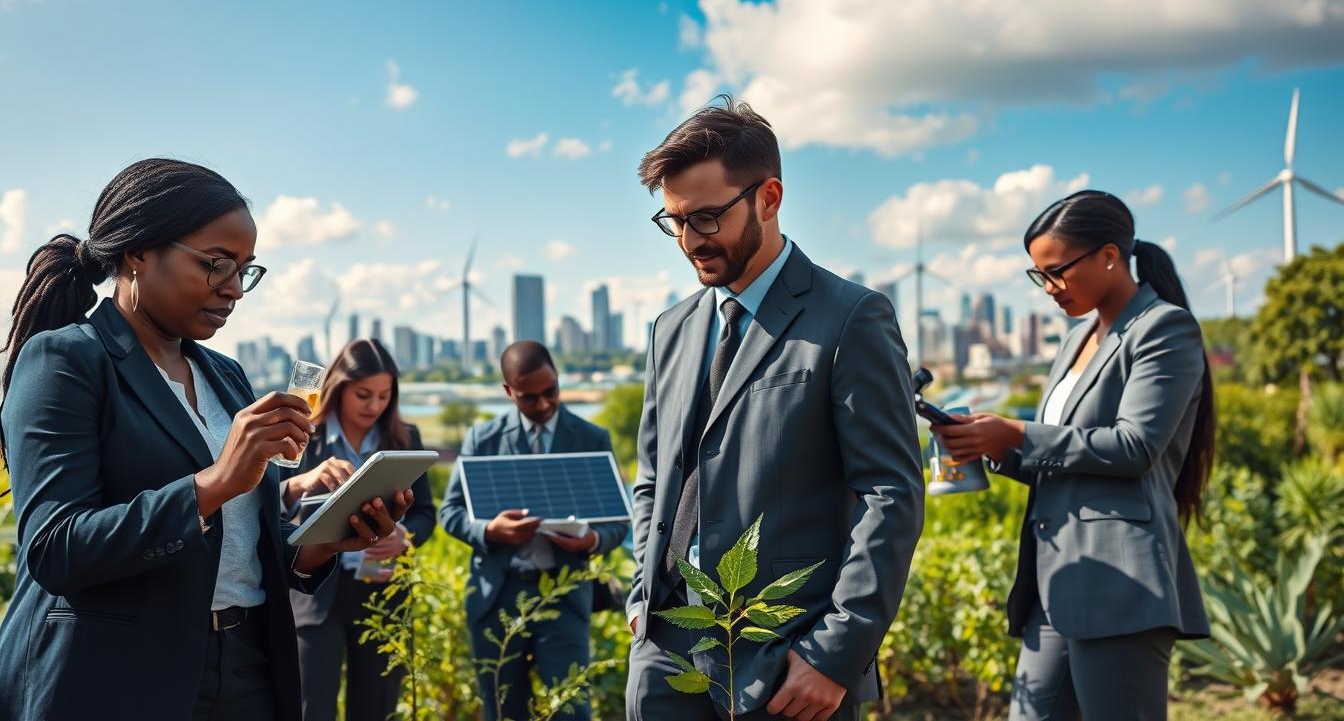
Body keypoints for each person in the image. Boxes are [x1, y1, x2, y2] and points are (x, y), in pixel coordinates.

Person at [0, 158, 413, 721]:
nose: (236, 290)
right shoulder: (67, 360)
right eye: (216, 265)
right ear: (137, 252)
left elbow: (241, 539)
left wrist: (324, 541)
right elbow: (55, 549)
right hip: (117, 674)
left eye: (246, 269)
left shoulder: (225, 374)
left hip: (246, 667)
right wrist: (214, 482)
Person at [625, 96, 925, 721]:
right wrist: (641, 592)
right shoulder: (670, 329)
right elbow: (654, 476)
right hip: (662, 650)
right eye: (673, 221)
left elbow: (890, 496)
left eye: (706, 218)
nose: (688, 241)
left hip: (789, 663)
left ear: (769, 197)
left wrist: (835, 656)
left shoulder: (851, 317)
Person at [932, 190, 1213, 721]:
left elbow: (1135, 447)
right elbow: (1063, 460)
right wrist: (987, 445)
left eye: (1056, 271)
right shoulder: (1077, 337)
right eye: (1038, 276)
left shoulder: (1163, 329)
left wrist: (1015, 432)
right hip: (1056, 580)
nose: (1049, 289)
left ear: (1109, 256)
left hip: (1119, 583)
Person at [440, 340, 628, 721]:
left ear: (558, 379)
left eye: (551, 392)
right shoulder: (483, 440)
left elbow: (618, 522)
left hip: (564, 595)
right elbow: (450, 512)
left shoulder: (592, 438)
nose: (543, 404)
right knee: (503, 710)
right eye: (529, 398)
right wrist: (490, 530)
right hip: (497, 596)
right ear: (508, 392)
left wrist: (592, 540)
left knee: (571, 709)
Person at [279, 338, 437, 720]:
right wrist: (303, 483)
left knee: (375, 710)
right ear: (339, 387)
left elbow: (426, 514)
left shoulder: (404, 438)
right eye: (364, 395)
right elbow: (268, 503)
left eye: (385, 396)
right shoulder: (302, 434)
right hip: (314, 597)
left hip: (382, 594)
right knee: (310, 707)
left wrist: (405, 538)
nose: (374, 406)